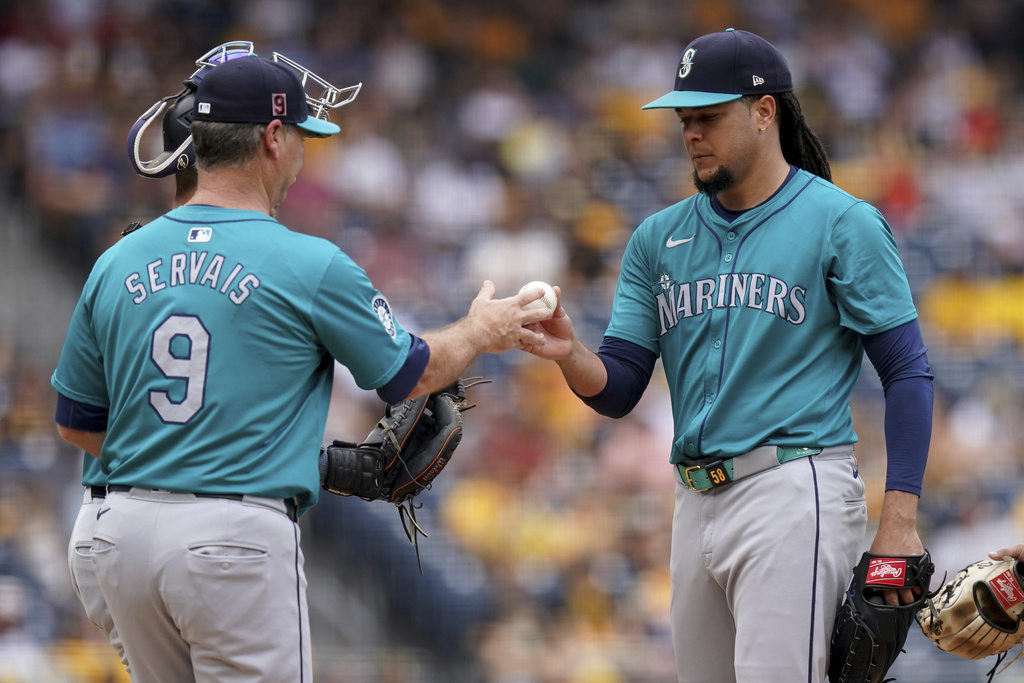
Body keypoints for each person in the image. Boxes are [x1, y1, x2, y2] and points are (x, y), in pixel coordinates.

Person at [51, 53, 551, 682]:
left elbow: (77, 424)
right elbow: (412, 375)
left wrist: (184, 463)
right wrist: (483, 330)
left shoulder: (118, 260)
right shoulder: (307, 262)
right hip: (229, 536)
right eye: (303, 140)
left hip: (111, 535)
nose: (304, 156)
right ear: (273, 137)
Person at [523, 28, 933, 683]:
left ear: (764, 111)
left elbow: (907, 370)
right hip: (694, 501)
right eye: (685, 119)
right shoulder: (658, 237)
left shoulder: (841, 222)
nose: (692, 133)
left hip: (793, 488)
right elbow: (620, 386)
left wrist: (901, 520)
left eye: (709, 116)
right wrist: (567, 349)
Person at [62, 41, 252, 675]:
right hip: (203, 523)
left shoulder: (120, 261)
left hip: (105, 523)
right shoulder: (267, 263)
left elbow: (73, 421)